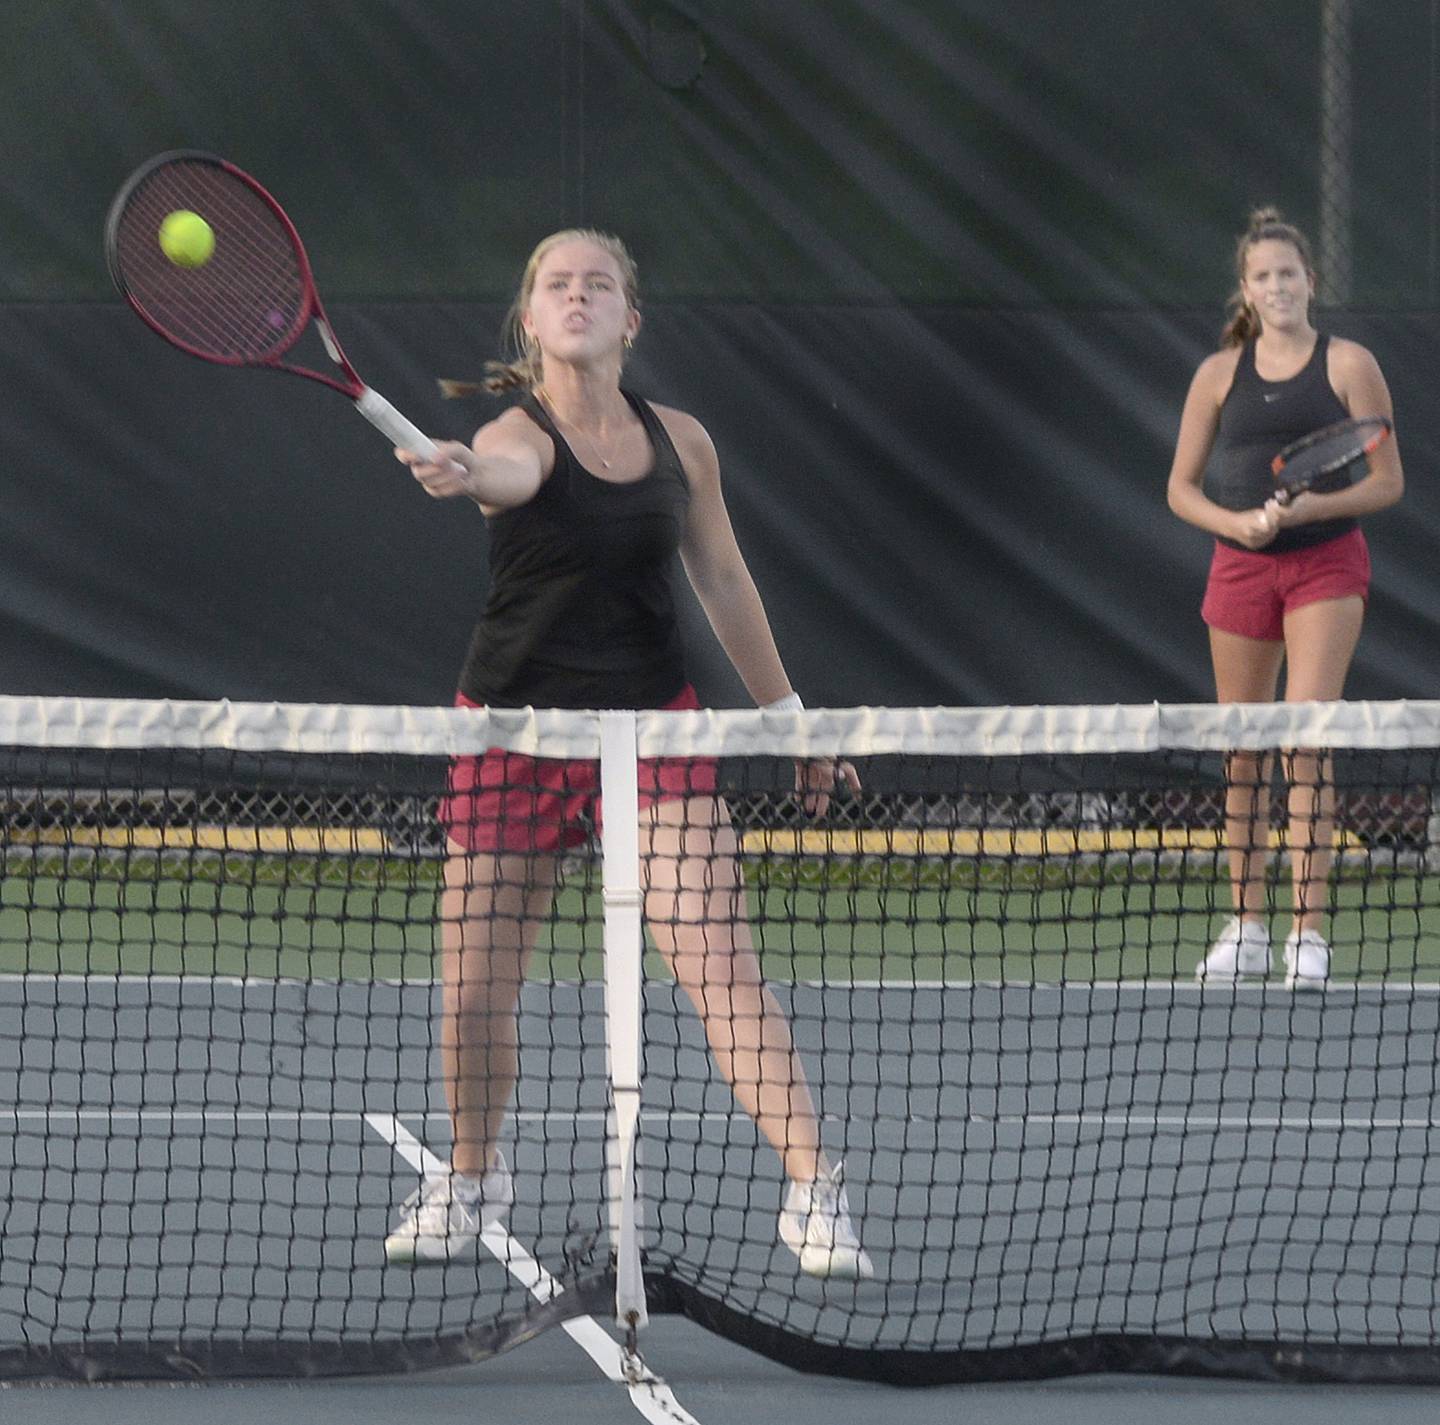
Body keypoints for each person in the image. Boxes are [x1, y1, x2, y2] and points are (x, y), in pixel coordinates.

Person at [381, 228, 872, 1279]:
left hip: (653, 726)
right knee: (473, 992)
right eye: (557, 283)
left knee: (721, 970)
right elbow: (504, 473)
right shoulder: (514, 433)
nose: (577, 295)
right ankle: (471, 1179)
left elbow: (725, 581)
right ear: (530, 317)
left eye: (597, 283)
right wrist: (464, 465)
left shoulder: (683, 442)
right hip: (513, 732)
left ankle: (815, 1194)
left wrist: (792, 723)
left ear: (629, 318)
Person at [1166, 207, 1403, 989]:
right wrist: (1236, 522)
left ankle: (1307, 934)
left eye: (1289, 274)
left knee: (1306, 739)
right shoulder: (1216, 374)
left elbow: (1386, 482)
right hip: (1239, 570)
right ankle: (1247, 928)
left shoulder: (1349, 365)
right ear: (1246, 287)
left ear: (1311, 281)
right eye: (1263, 276)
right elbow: (1179, 489)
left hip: (1327, 569)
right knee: (1244, 752)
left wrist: (1306, 513)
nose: (1278, 287)